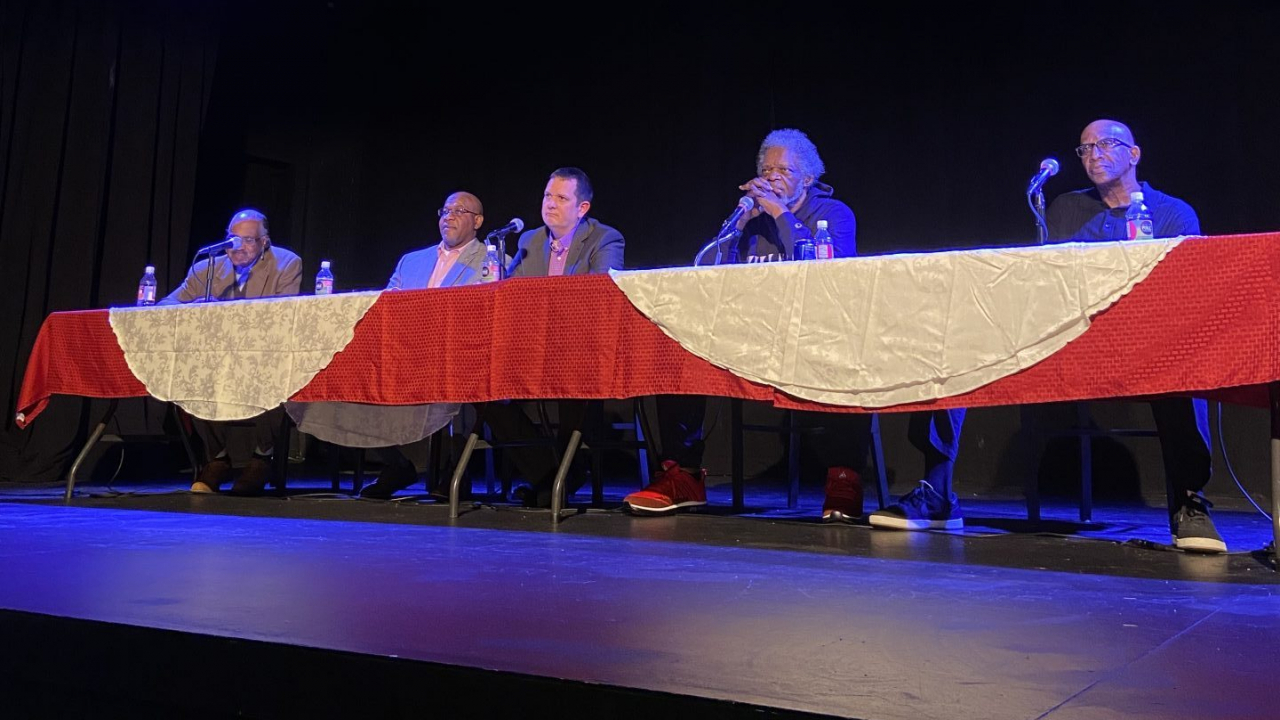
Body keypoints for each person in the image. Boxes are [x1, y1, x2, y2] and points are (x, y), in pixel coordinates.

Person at [630, 128, 968, 531]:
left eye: (784, 170)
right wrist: (739, 224)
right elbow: (706, 272)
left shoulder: (835, 214)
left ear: (807, 178)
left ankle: (845, 477)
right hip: (753, 336)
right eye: (766, 169)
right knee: (677, 340)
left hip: (819, 336)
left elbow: (834, 277)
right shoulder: (752, 222)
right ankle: (683, 473)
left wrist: (780, 215)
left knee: (848, 356)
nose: (772, 177)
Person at [1045, 118, 1223, 553]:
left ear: (1134, 154)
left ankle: (1189, 502)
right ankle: (935, 494)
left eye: (1106, 145)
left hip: (1151, 341)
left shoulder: (1172, 213)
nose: (1094, 156)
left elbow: (1186, 290)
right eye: (1084, 149)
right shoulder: (1067, 209)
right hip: (1082, 339)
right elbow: (1051, 279)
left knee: (1181, 364)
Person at [482, 168, 625, 507]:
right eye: (548, 196)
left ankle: (558, 477)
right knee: (480, 384)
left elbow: (602, 293)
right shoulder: (530, 240)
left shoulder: (606, 238)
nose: (551, 204)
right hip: (532, 346)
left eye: (562, 198)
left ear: (582, 208)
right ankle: (552, 474)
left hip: (583, 346)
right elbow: (510, 291)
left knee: (571, 373)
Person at [359, 191, 492, 500]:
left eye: (459, 210)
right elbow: (387, 305)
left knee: (457, 377)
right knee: (358, 376)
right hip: (405, 353)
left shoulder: (492, 261)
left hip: (457, 355)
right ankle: (397, 463)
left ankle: (454, 470)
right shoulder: (412, 260)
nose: (449, 216)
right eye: (445, 210)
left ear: (478, 221)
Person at [170, 209, 303, 495]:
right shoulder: (206, 269)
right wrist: (192, 307)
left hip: (263, 354)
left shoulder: (287, 263)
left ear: (264, 242)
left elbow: (285, 312)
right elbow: (168, 304)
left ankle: (261, 457)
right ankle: (217, 459)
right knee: (189, 374)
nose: (237, 247)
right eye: (232, 238)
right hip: (217, 356)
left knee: (276, 376)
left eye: (247, 240)